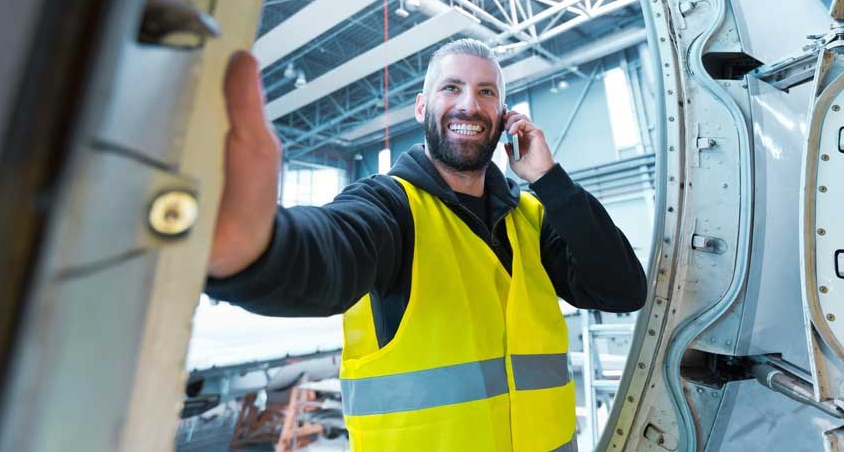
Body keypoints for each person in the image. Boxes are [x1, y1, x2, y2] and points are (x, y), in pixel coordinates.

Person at [206, 38, 647, 452]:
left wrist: (551, 180)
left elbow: (622, 290)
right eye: (451, 87)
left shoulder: (532, 216)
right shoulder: (390, 207)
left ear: (505, 114)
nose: (470, 104)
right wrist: (258, 248)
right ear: (421, 107)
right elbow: (333, 252)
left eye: (487, 92)